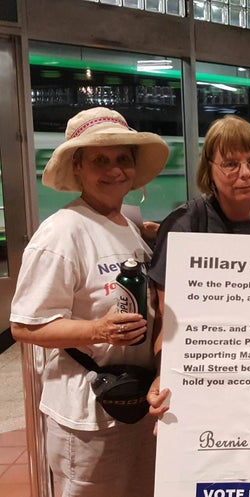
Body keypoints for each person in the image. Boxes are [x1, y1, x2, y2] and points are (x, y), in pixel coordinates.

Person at [10, 107, 169, 497]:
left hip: (136, 402)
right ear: (77, 167)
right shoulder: (62, 233)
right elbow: (24, 326)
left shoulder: (128, 225)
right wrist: (97, 330)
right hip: (87, 417)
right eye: (100, 160)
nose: (114, 170)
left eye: (122, 159)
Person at [146, 115, 250, 416]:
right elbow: (167, 319)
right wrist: (165, 375)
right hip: (207, 370)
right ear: (209, 170)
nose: (245, 173)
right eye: (230, 164)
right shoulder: (185, 225)